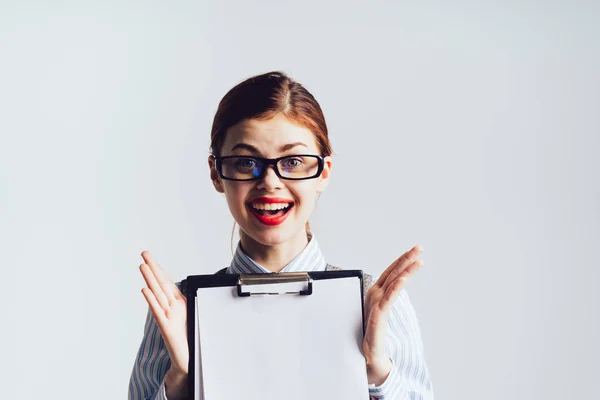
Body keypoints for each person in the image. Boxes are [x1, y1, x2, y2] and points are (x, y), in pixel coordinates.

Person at [128, 71, 434, 400]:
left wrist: (376, 372)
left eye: (293, 161)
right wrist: (180, 378)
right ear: (217, 174)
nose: (270, 182)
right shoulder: (179, 309)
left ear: (323, 173)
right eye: (246, 162)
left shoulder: (375, 304)